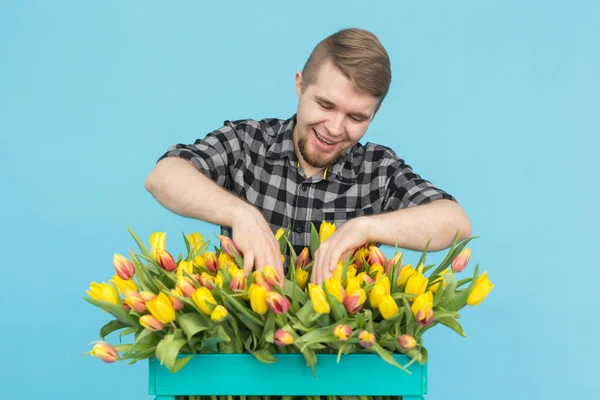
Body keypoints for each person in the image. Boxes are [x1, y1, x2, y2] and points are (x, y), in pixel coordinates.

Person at [144, 28, 471, 285]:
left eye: (357, 118)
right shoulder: (248, 142)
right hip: (245, 357)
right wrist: (239, 213)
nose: (335, 128)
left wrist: (367, 228)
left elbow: (455, 223)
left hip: (339, 361)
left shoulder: (378, 169)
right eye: (325, 105)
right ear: (300, 86)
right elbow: (164, 177)